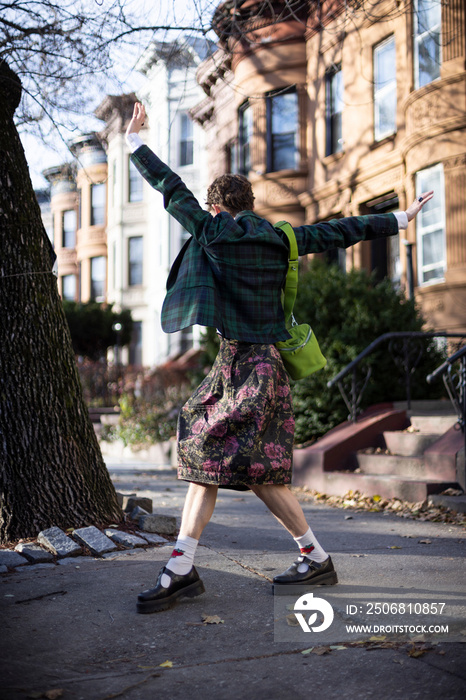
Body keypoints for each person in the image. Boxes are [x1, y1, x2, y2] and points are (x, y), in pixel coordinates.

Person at [125, 102, 434, 614]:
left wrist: (135, 142)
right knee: (243, 469)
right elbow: (341, 230)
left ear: (218, 208)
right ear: (250, 204)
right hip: (265, 368)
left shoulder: (214, 232)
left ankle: (195, 567)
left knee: (220, 461)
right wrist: (400, 217)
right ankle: (270, 560)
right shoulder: (282, 237)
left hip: (241, 367)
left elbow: (170, 189)